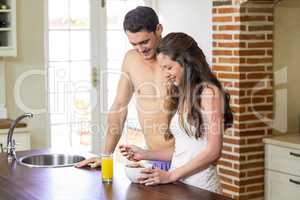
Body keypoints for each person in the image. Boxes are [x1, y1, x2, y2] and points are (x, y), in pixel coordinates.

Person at [119, 32, 233, 193]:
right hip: (180, 186)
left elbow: (214, 151)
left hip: (201, 189)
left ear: (187, 62)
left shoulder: (209, 93)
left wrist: (171, 175)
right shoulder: (183, 94)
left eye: (169, 67)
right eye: (163, 68)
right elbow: (182, 151)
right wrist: (145, 154)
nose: (165, 73)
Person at [76, 6, 174, 170]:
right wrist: (106, 155)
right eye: (134, 44)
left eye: (144, 42)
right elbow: (119, 108)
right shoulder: (131, 59)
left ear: (158, 29)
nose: (140, 49)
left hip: (183, 159)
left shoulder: (178, 59)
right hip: (153, 159)